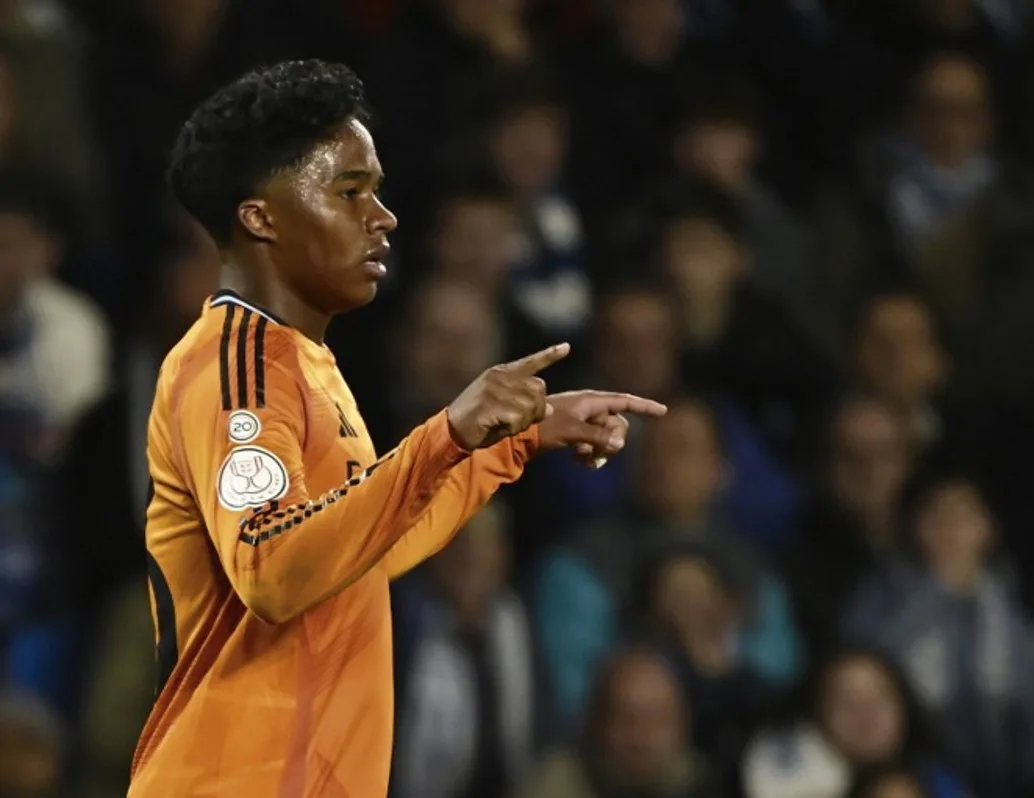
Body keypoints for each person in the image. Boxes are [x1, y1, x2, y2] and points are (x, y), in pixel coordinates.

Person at [129, 59, 667, 797]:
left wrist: (512, 441)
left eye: (376, 191)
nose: (381, 217)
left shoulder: (303, 364)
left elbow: (366, 551)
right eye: (350, 192)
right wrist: (446, 433)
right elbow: (275, 570)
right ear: (261, 218)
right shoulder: (235, 368)